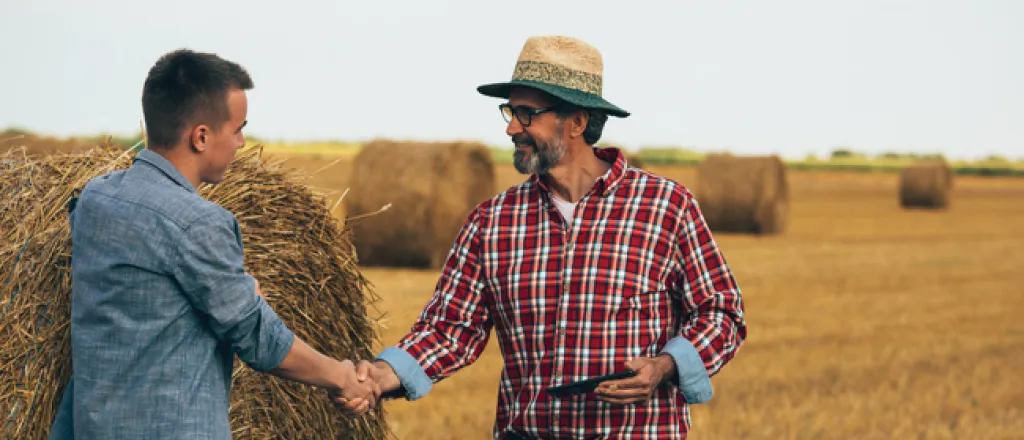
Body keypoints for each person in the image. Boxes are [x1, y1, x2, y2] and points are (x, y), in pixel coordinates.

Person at [341, 36, 748, 439]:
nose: (511, 128)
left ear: (577, 121)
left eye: (527, 114)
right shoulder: (491, 222)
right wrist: (380, 375)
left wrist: (664, 365)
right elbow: (449, 330)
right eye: (509, 112)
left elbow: (722, 313)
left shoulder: (666, 206)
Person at [47, 49, 379, 440]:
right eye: (238, 128)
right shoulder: (197, 223)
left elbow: (148, 290)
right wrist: (341, 376)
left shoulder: (95, 199)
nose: (241, 142)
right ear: (201, 137)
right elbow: (258, 337)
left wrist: (229, 292)